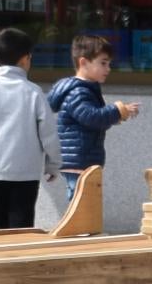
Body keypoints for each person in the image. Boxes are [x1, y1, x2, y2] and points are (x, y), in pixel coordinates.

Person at [0, 27, 60, 230]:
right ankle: (20, 259)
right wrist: (53, 163)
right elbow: (49, 133)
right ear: (26, 59)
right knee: (22, 223)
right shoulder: (34, 93)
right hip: (26, 172)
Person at [47, 35, 139, 205]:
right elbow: (92, 117)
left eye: (109, 63)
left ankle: (83, 228)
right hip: (78, 157)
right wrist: (118, 110)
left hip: (82, 156)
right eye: (103, 63)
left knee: (85, 199)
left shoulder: (85, 89)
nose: (108, 68)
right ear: (83, 63)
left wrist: (117, 114)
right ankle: (78, 230)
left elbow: (93, 118)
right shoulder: (78, 92)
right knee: (80, 200)